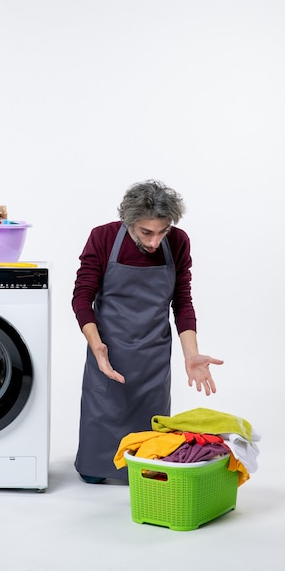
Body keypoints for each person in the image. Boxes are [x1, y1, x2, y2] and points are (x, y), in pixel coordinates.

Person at [71, 179, 224, 484]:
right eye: (146, 233)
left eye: (162, 231)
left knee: (147, 470)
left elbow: (182, 302)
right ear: (128, 222)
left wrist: (191, 355)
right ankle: (96, 461)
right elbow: (81, 296)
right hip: (108, 354)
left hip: (153, 360)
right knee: (92, 474)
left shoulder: (178, 242)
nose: (155, 242)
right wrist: (96, 345)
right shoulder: (102, 238)